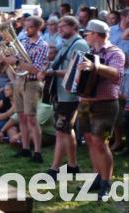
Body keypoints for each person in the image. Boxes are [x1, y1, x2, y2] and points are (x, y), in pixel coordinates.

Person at [78, 19, 125, 199]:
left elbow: (116, 75)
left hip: (105, 104)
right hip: (86, 102)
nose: (85, 36)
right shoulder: (89, 52)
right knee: (90, 140)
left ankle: (107, 183)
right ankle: (98, 178)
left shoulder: (116, 53)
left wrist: (95, 66)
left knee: (100, 143)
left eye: (87, 33)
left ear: (96, 34)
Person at [43, 16, 88, 180]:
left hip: (69, 95)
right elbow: (56, 63)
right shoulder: (65, 44)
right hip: (60, 93)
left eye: (63, 26)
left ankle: (54, 170)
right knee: (66, 131)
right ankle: (72, 165)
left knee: (61, 131)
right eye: (59, 26)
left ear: (74, 27)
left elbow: (76, 70)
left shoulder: (80, 44)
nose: (59, 29)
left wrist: (53, 73)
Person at [6, 16, 49, 163]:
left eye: (29, 27)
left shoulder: (42, 45)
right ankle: (25, 149)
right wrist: (5, 54)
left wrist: (18, 61)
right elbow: (11, 60)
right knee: (22, 117)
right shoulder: (23, 42)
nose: (26, 29)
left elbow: (35, 69)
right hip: (19, 80)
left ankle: (37, 152)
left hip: (32, 83)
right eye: (25, 26)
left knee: (31, 118)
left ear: (38, 28)